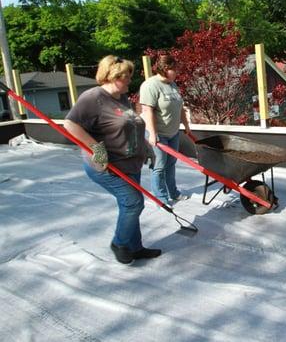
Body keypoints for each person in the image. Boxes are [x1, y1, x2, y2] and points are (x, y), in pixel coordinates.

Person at [64, 55, 161, 264]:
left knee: (129, 204)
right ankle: (119, 243)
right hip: (107, 166)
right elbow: (70, 125)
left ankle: (135, 247)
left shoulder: (122, 97)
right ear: (111, 76)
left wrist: (146, 148)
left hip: (130, 163)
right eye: (125, 76)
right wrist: (96, 149)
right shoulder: (93, 98)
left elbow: (133, 126)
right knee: (133, 202)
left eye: (129, 75)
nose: (129, 80)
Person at [139, 54, 191, 206]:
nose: (176, 72)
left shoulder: (173, 85)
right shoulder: (150, 85)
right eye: (173, 69)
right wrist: (153, 134)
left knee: (171, 163)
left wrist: (186, 126)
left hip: (173, 132)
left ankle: (173, 193)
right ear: (164, 69)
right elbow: (147, 111)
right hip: (157, 133)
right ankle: (160, 198)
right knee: (160, 165)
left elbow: (180, 107)